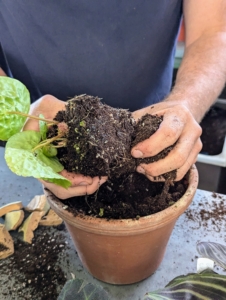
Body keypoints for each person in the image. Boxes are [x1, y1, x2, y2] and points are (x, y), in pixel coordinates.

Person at [0, 1, 226, 199]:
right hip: (36, 137)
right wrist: (20, 120)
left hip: (153, 135)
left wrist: (186, 102)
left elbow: (213, 30)